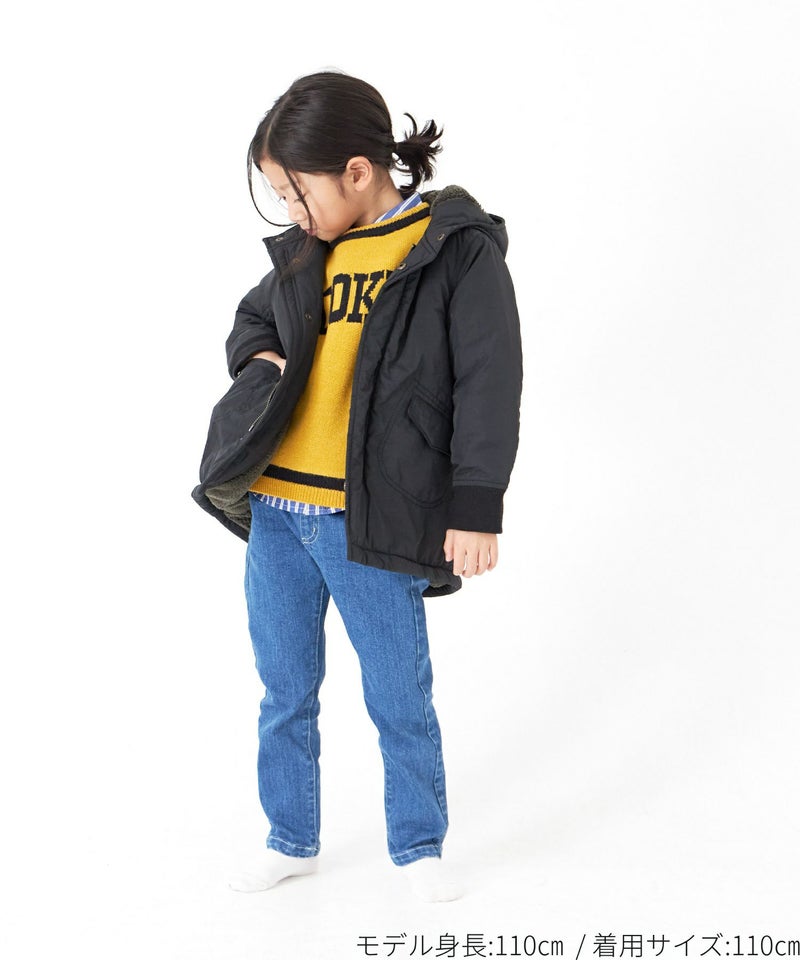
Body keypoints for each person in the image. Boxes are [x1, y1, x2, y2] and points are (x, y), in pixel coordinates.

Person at [192, 71, 523, 902]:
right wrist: (261, 360)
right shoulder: (312, 251)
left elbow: (489, 382)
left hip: (367, 518)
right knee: (284, 691)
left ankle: (418, 847)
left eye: (295, 191)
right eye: (279, 195)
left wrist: (477, 506)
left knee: (398, 694)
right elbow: (253, 318)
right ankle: (290, 837)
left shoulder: (451, 248)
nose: (291, 212)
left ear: (356, 170)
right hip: (277, 509)